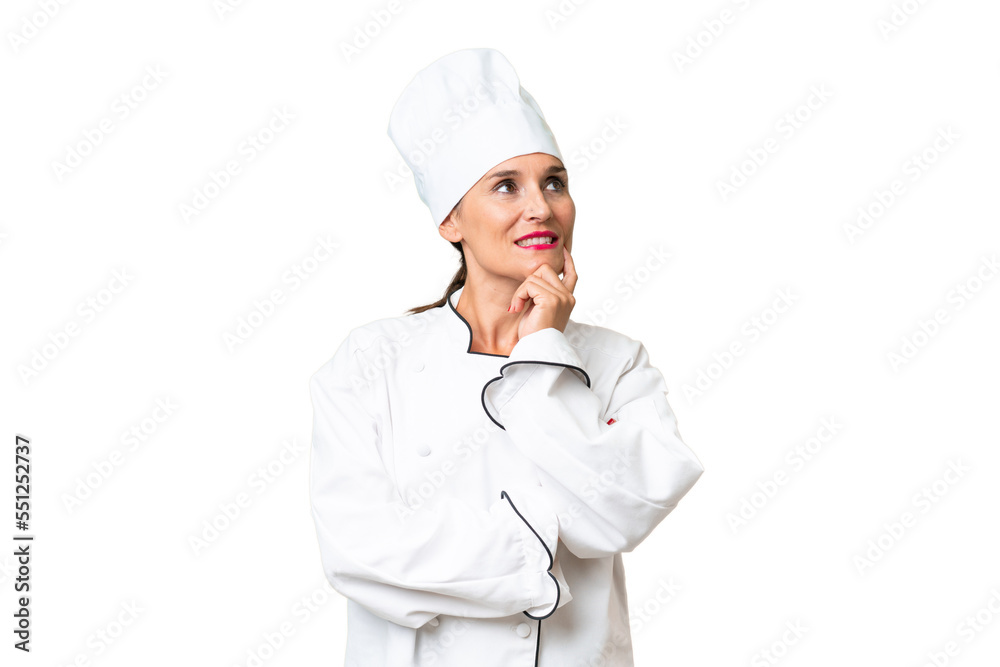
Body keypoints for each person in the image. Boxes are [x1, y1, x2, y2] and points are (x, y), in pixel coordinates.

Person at [308, 47, 705, 667]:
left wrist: (544, 348)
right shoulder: (371, 363)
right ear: (450, 221)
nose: (541, 207)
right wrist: (541, 553)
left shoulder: (618, 361)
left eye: (555, 182)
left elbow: (621, 516)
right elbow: (360, 549)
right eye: (505, 186)